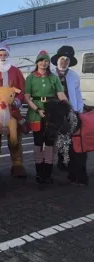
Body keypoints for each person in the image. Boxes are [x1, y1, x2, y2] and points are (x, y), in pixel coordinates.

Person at [24, 50, 68, 183]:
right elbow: (27, 97)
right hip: (35, 112)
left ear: (49, 63)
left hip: (51, 112)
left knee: (49, 143)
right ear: (37, 62)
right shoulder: (31, 77)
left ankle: (48, 173)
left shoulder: (53, 77)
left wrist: (68, 108)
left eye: (46, 61)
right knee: (38, 142)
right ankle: (39, 172)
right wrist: (37, 109)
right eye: (41, 60)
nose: (44, 63)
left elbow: (60, 94)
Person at [0, 46, 27, 177]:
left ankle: (17, 164)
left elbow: (22, 90)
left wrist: (16, 102)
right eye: (0, 55)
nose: (3, 57)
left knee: (15, 139)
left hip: (12, 111)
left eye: (5, 55)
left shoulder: (16, 71)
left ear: (8, 56)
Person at [51, 45, 85, 175]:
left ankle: (69, 160)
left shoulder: (74, 76)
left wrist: (79, 110)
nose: (64, 62)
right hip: (57, 112)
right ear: (58, 60)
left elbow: (78, 94)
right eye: (62, 59)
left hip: (72, 111)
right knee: (59, 137)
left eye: (67, 60)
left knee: (70, 137)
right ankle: (61, 160)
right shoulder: (52, 75)